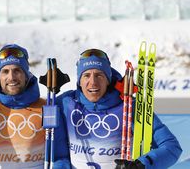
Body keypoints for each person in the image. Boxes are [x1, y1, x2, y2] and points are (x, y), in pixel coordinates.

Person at [52, 48, 183, 169]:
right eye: (86, 75)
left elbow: (172, 147)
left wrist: (141, 165)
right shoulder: (64, 103)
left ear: (108, 80)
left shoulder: (130, 106)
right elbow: (59, 156)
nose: (93, 82)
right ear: (79, 81)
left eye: (99, 75)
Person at [0, 44, 67, 168]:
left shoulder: (47, 109)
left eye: (17, 70)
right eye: (5, 71)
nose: (11, 77)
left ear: (26, 75)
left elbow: (59, 157)